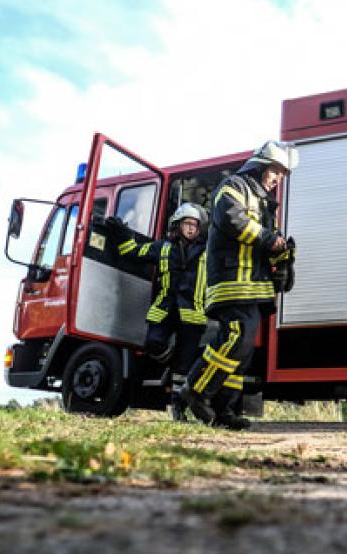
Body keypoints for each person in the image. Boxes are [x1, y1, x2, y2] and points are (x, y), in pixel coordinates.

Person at [178, 140, 298, 430]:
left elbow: (264, 240)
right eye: (275, 171)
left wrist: (282, 256)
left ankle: (224, 411)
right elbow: (232, 218)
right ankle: (195, 390)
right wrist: (269, 239)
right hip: (231, 282)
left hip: (252, 286)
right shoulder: (234, 186)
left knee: (242, 351)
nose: (278, 178)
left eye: (282, 174)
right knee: (235, 338)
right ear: (260, 166)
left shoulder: (264, 202)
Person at [106, 202, 209, 421]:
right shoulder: (162, 247)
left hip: (193, 315)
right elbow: (132, 252)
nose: (191, 228)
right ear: (177, 225)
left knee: (183, 367)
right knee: (154, 344)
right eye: (187, 224)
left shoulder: (208, 252)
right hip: (164, 310)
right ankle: (174, 363)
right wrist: (121, 232)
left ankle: (178, 408)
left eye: (195, 225)